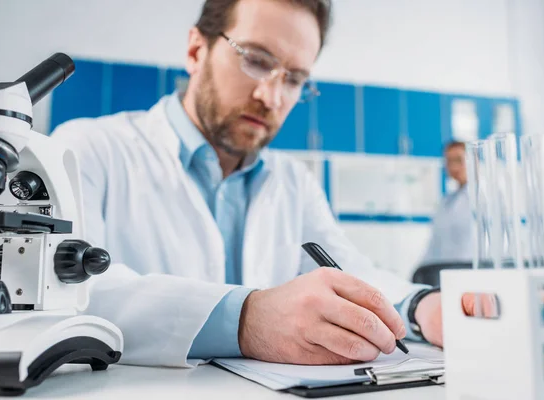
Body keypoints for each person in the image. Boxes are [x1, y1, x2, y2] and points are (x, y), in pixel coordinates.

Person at [51, 0, 473, 367]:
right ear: (197, 50)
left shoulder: (293, 181)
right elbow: (64, 292)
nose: (272, 97)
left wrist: (422, 308)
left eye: (293, 79)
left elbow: (348, 269)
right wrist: (246, 320)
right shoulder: (87, 148)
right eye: (256, 59)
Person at [420, 141, 474, 265]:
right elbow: (434, 244)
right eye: (449, 161)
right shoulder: (445, 202)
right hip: (444, 272)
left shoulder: (483, 199)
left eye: (458, 160)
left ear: (473, 161)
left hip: (470, 272)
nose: (453, 167)